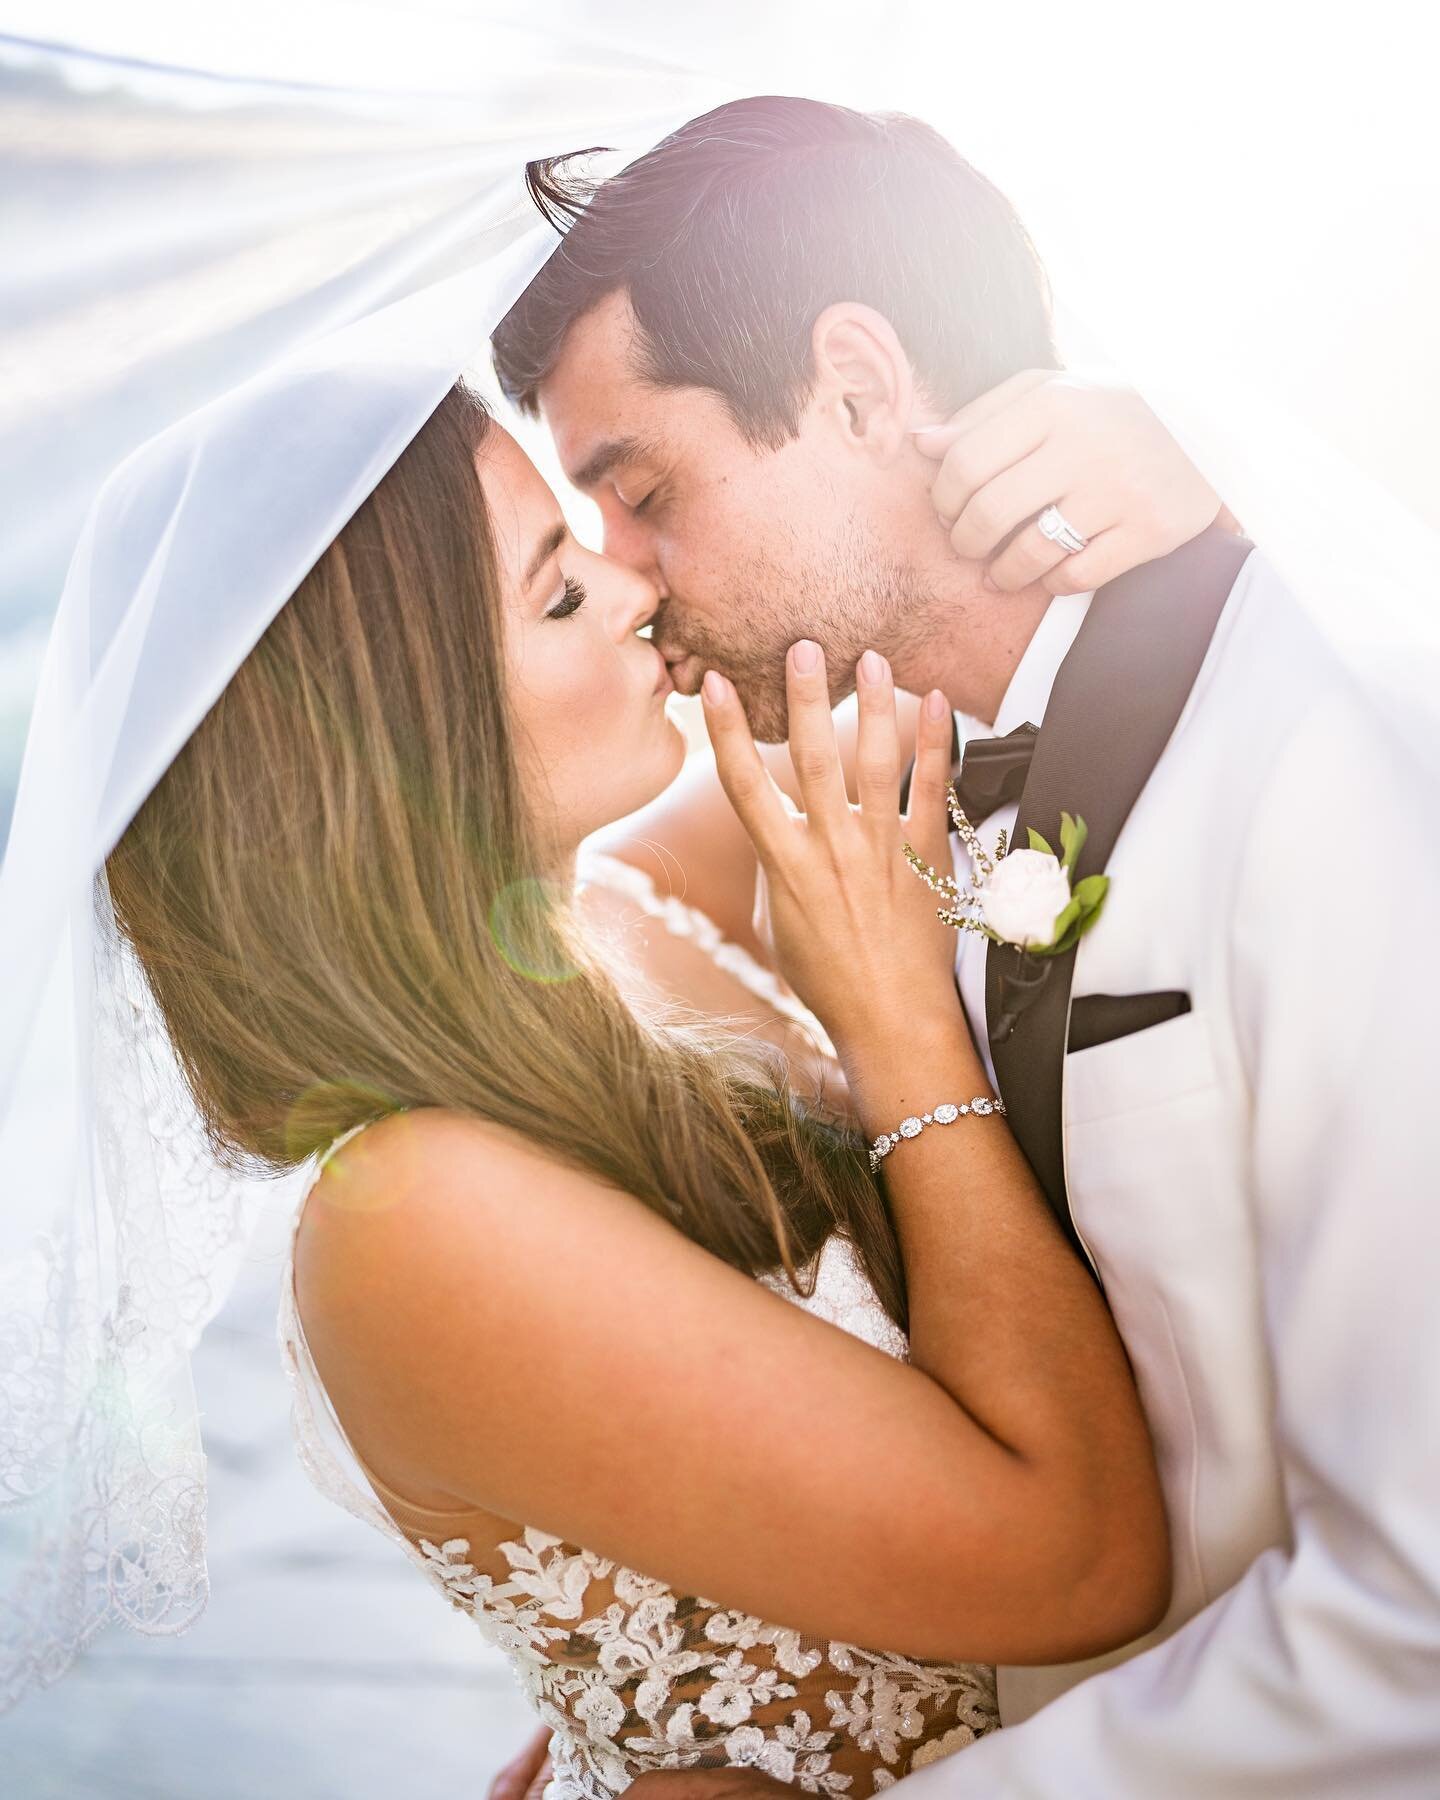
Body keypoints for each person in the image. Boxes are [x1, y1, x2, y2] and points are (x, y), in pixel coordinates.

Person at [484, 96, 1440, 1796]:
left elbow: (1417, 1622)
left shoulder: (1333, 751)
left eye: (641, 492)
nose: (623, 580)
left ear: (859, 383)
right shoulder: (873, 838)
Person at [102, 362, 1226, 1795]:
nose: (637, 587)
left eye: (604, 530)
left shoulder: (626, 911)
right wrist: (901, 1035)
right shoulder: (414, 1215)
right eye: (559, 594)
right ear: (398, 752)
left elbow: (842, 638)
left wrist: (1161, 472)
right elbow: (1080, 1565)